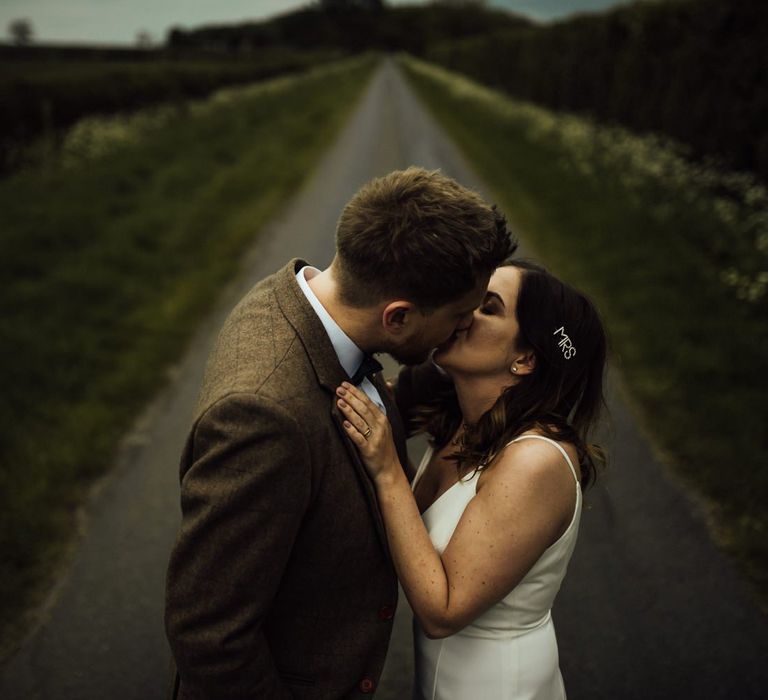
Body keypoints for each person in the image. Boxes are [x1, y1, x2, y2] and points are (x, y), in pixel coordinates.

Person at [164, 167, 515, 699]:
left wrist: (545, 364)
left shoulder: (298, 298)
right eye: (460, 315)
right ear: (396, 318)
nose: (465, 328)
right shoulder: (264, 419)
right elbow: (209, 636)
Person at [335, 259, 607, 699]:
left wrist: (387, 470)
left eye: (488, 307)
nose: (464, 312)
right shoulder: (466, 420)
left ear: (525, 358)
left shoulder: (535, 462)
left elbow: (442, 611)